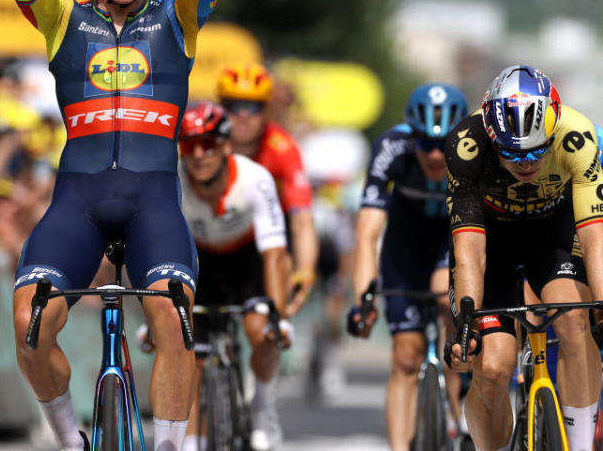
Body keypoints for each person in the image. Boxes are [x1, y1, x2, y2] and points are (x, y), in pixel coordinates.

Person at [0, 0, 247, 451]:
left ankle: (170, 445)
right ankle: (71, 439)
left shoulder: (178, 17)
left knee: (172, 317)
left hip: (153, 203)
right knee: (29, 326)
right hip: (79, 202)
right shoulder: (64, 20)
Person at [444, 65, 603, 451]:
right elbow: (469, 251)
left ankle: (580, 445)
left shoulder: (577, 136)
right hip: (492, 240)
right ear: (492, 136)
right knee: (495, 367)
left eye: (537, 150)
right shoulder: (466, 144)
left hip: (553, 232)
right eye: (512, 154)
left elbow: (595, 236)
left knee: (576, 324)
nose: (526, 163)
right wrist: (468, 318)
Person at [346, 83, 469, 451]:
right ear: (410, 137)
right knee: (404, 357)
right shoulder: (390, 148)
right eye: (424, 144)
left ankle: (460, 399)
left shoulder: (473, 152)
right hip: (406, 244)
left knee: (444, 298)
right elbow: (368, 233)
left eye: (442, 144)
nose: (434, 155)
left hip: (453, 237)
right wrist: (362, 302)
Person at [175, 102, 292, 451]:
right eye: (189, 145)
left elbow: (275, 254)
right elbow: (162, 251)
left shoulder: (255, 178)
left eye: (208, 144)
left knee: (262, 332)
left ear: (226, 146)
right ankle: (192, 442)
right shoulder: (172, 181)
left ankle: (262, 407)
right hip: (200, 260)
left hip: (247, 260)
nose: (198, 155)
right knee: (187, 347)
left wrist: (278, 317)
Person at [216, 63, 318, 315]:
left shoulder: (282, 147)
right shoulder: (206, 144)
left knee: (270, 315)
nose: (243, 115)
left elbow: (302, 220)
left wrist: (304, 271)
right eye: (233, 105)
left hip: (265, 239)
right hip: (215, 231)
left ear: (266, 110)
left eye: (253, 107)